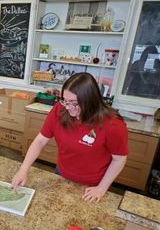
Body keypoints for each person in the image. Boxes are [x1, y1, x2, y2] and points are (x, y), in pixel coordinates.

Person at [12, 72, 128, 203]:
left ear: (90, 101)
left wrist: (101, 188)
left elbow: (119, 159)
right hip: (62, 174)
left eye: (73, 103)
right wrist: (23, 169)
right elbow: (40, 141)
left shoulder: (113, 124)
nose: (67, 107)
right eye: (65, 101)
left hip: (92, 184)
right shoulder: (60, 110)